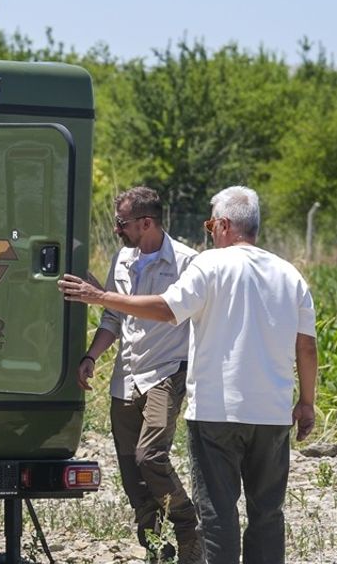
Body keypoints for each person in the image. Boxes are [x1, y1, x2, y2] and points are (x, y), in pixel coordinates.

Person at [60, 186, 318, 564]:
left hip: (215, 413)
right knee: (267, 513)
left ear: (226, 225)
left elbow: (168, 309)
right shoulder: (290, 274)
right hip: (272, 415)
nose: (209, 231)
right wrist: (306, 403)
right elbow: (307, 347)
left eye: (212, 223)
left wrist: (99, 297)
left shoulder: (208, 264)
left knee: (217, 511)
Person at [79, 187, 201, 563]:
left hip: (166, 371)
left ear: (146, 222)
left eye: (122, 223)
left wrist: (100, 297)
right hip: (126, 376)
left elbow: (171, 311)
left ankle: (189, 528)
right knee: (132, 470)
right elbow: (114, 317)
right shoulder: (122, 259)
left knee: (151, 455)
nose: (117, 230)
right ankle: (154, 547)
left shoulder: (186, 262)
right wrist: (92, 356)